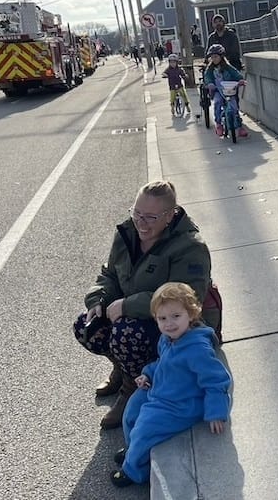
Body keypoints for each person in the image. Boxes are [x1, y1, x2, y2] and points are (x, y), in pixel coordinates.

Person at [73, 181, 212, 430]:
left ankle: (131, 389)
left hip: (174, 327)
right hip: (130, 314)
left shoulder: (190, 246)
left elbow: (187, 299)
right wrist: (99, 299)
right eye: (137, 213)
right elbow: (110, 274)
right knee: (86, 327)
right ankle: (123, 368)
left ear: (169, 216)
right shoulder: (127, 232)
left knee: (126, 333)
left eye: (150, 217)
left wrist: (128, 305)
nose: (141, 223)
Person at [110, 282, 231, 487]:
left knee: (145, 428)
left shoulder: (197, 349)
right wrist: (147, 375)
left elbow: (216, 379)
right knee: (131, 412)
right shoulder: (167, 339)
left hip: (181, 404)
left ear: (191, 314)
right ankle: (136, 451)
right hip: (160, 390)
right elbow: (163, 364)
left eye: (176, 316)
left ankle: (134, 471)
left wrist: (216, 412)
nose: (169, 324)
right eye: (162, 318)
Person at [204, 43, 248, 138]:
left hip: (229, 90)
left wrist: (240, 80)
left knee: (234, 106)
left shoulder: (228, 67)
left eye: (216, 57)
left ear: (221, 57)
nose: (214, 59)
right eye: (212, 57)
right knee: (217, 102)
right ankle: (219, 124)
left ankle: (239, 127)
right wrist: (210, 84)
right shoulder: (210, 69)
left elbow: (236, 74)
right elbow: (207, 77)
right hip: (217, 91)